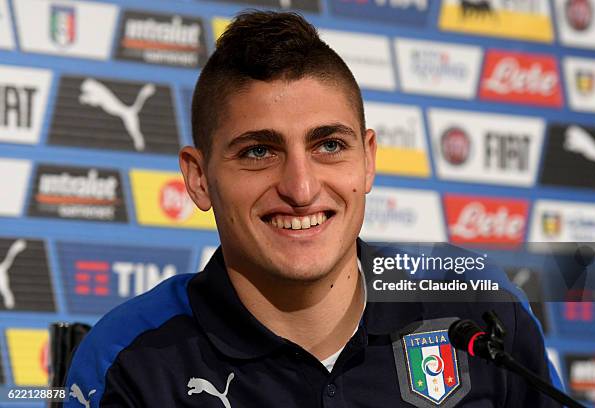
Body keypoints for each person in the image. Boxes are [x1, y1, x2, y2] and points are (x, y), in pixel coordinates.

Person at [64, 11, 563, 407]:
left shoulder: (477, 308)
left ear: (368, 160)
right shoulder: (128, 361)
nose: (301, 189)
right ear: (199, 179)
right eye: (259, 151)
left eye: (329, 145)